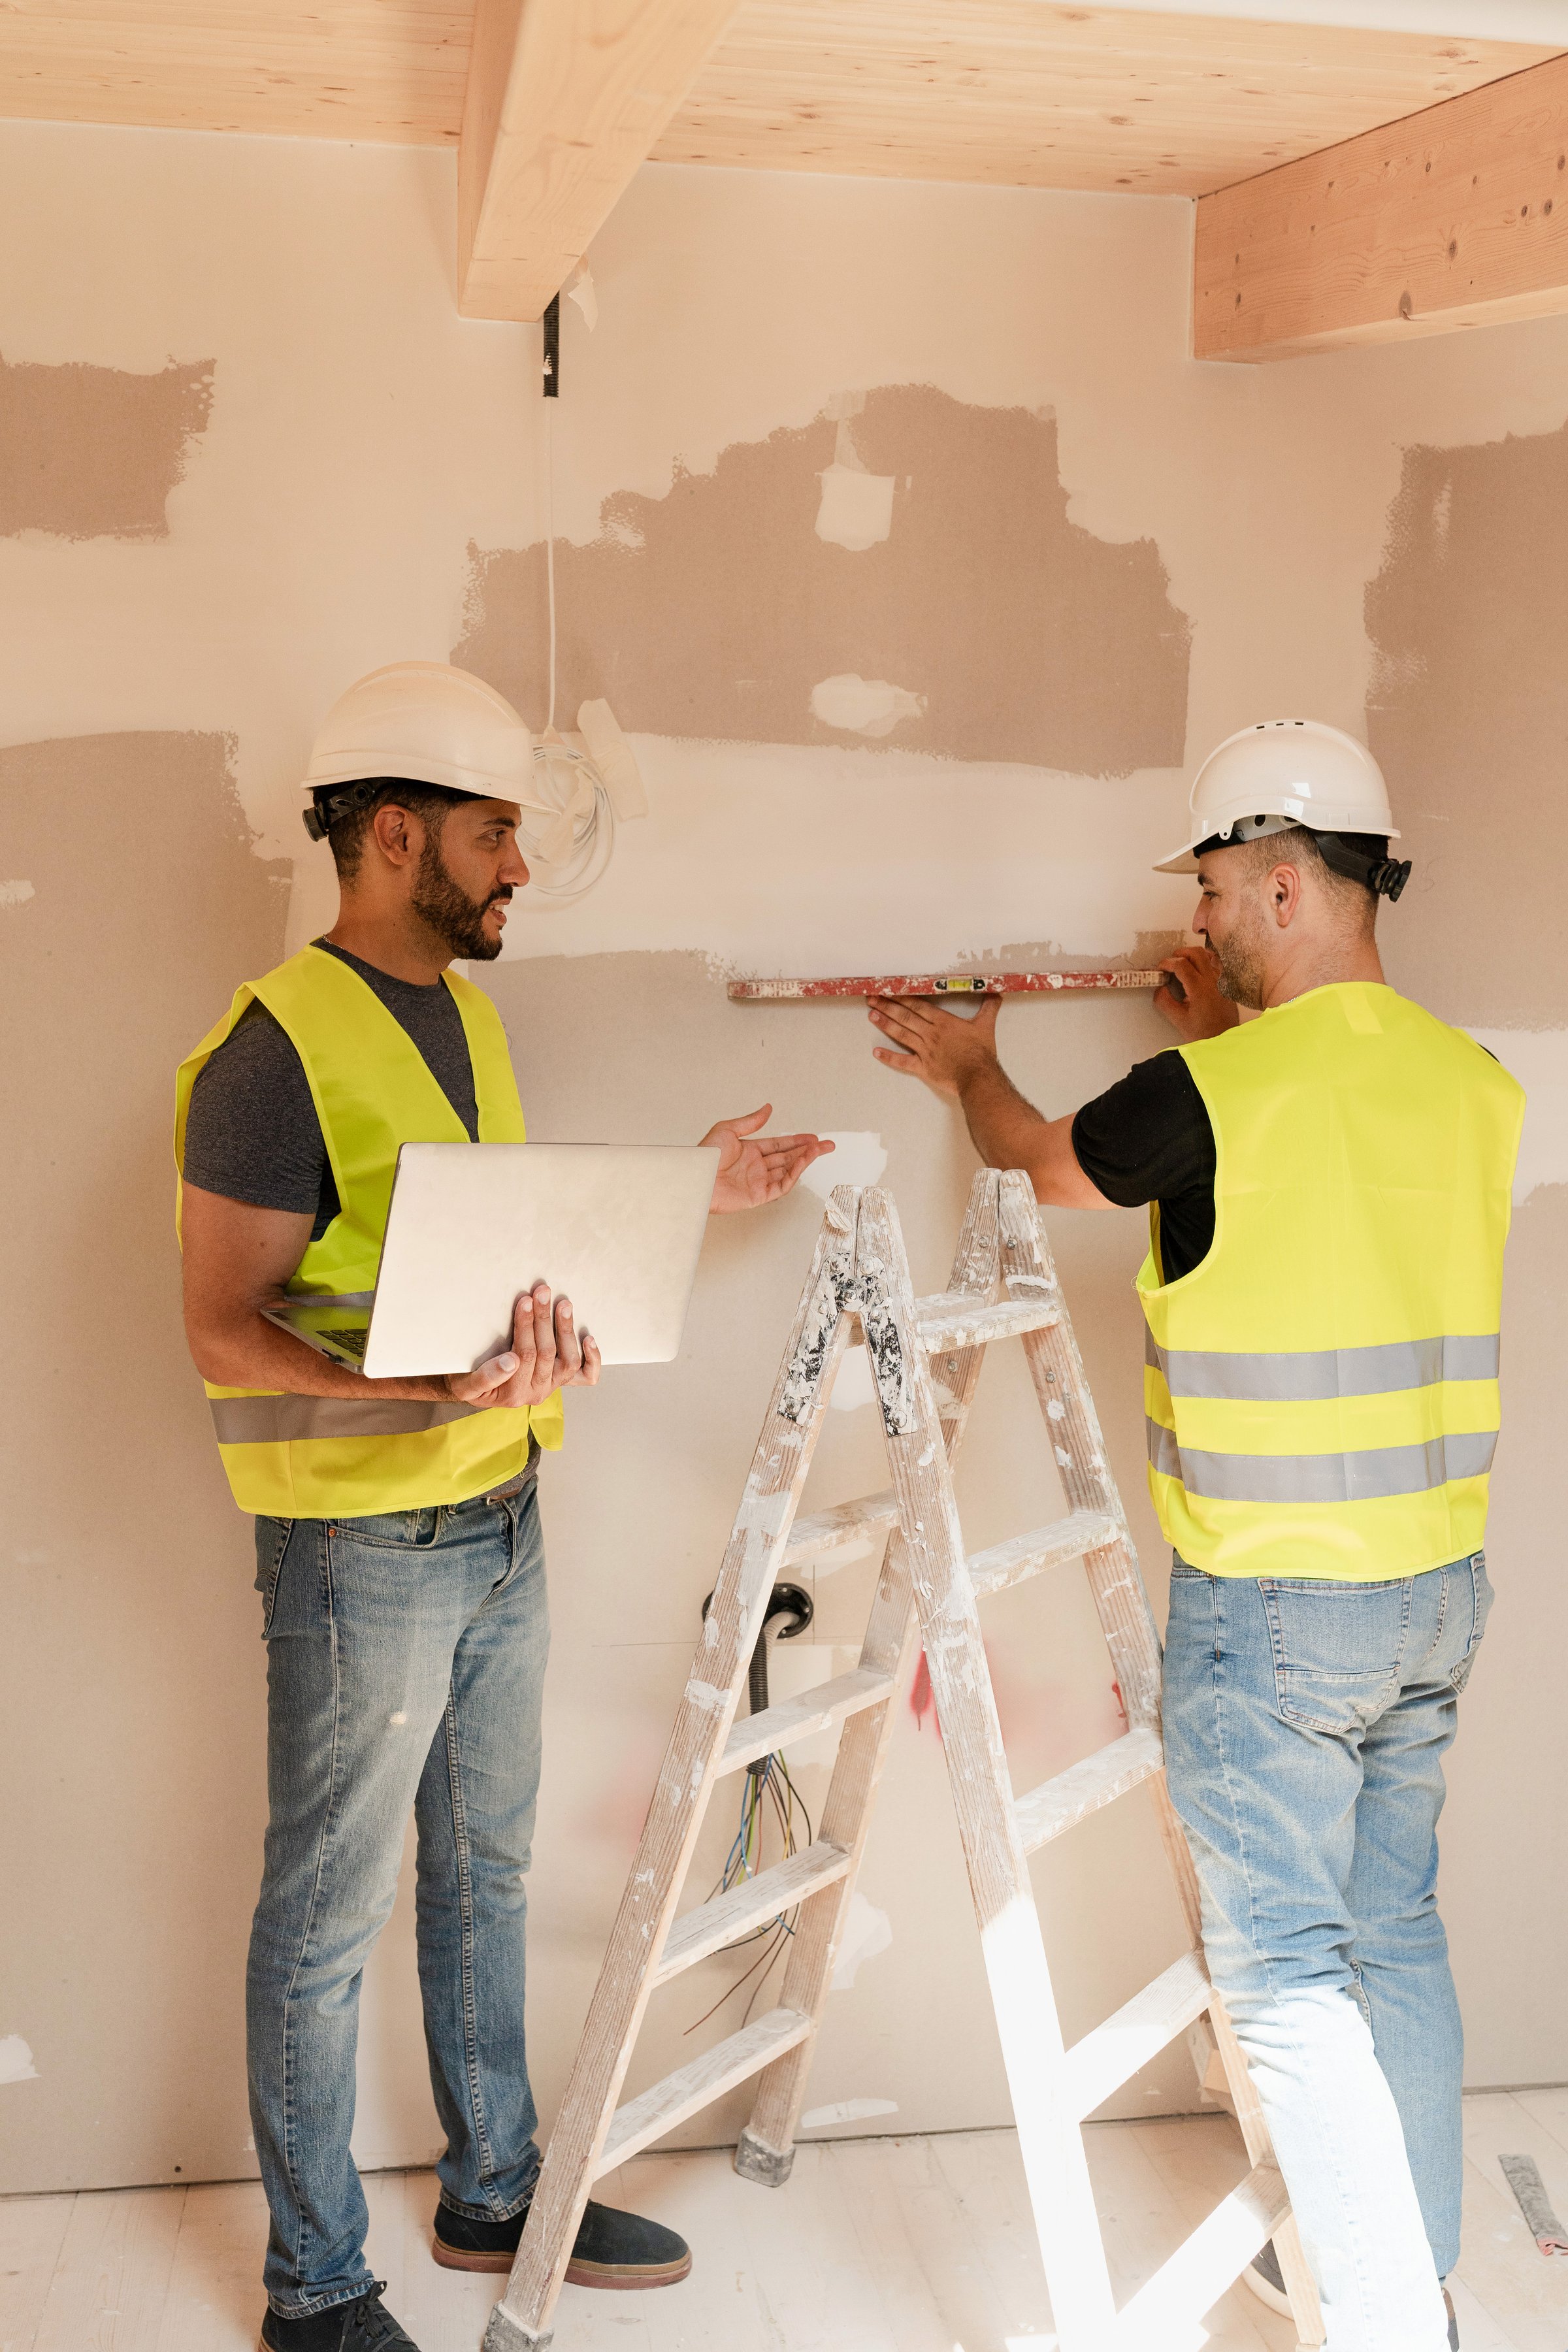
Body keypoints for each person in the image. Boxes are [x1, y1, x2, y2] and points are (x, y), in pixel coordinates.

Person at [175, 662, 833, 2352]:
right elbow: (220, 1326)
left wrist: (692, 1185)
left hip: (500, 1518)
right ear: (395, 838)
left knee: (484, 1874)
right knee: (324, 1917)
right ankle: (317, 2288)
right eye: (496, 835)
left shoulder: (465, 1018)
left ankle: (494, 2187)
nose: (521, 869)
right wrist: (423, 1401)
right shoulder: (270, 1049)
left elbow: (483, 1250)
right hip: (360, 1548)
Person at [865, 720, 1523, 2352]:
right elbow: (1326, 1173)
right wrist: (1224, 1030)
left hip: (1279, 1612)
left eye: (1224, 890)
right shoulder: (1473, 1083)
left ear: (1292, 883)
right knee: (1394, 1939)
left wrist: (966, 1070)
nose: (1207, 920)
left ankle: (1385, 2332)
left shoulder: (1209, 1096)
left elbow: (1037, 1158)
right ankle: (1419, 2277)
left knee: (1288, 1982)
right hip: (1435, 1596)